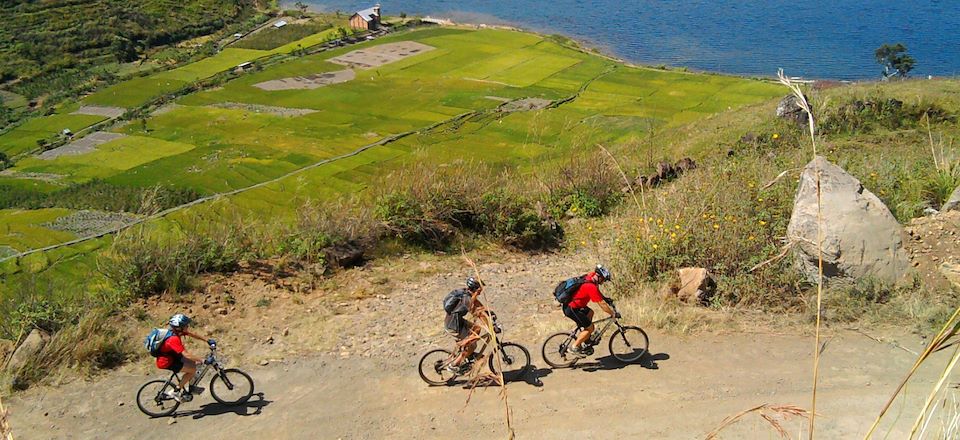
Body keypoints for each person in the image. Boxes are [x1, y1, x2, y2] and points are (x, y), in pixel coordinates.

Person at [156, 314, 215, 402]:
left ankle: (191, 387)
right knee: (192, 370)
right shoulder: (173, 339)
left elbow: (192, 334)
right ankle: (176, 391)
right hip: (167, 362)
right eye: (185, 325)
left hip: (173, 357)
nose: (187, 326)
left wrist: (207, 340)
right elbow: (186, 355)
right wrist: (204, 360)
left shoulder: (177, 331)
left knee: (195, 364)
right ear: (179, 327)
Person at [563, 265, 618, 356]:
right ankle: (574, 347)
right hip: (572, 309)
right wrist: (612, 313)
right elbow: (602, 304)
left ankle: (585, 337)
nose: (603, 282)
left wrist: (606, 298)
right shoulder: (590, 286)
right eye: (604, 279)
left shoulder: (591, 277)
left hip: (576, 306)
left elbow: (598, 293)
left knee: (590, 312)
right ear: (599, 277)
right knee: (590, 328)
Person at [443, 277, 490, 372]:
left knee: (477, 329)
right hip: (454, 326)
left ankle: (467, 352)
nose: (480, 292)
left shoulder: (465, 293)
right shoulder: (467, 300)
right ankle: (453, 365)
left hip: (455, 321)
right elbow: (476, 312)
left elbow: (478, 305)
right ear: (476, 289)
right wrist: (489, 325)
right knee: (473, 345)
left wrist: (488, 312)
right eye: (479, 290)